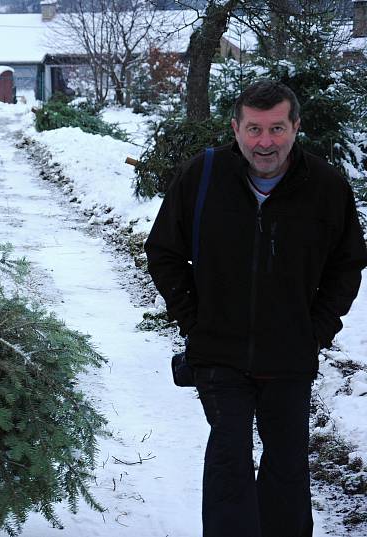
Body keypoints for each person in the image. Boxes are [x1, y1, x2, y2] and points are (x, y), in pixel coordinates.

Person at [145, 80, 367, 536]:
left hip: (289, 355)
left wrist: (317, 329)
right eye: (254, 129)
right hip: (219, 354)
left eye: (277, 129)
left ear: (295, 127)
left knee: (286, 466)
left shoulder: (325, 186)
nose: (265, 142)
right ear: (236, 128)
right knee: (229, 460)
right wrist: (194, 319)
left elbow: (347, 265)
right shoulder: (203, 176)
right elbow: (163, 251)